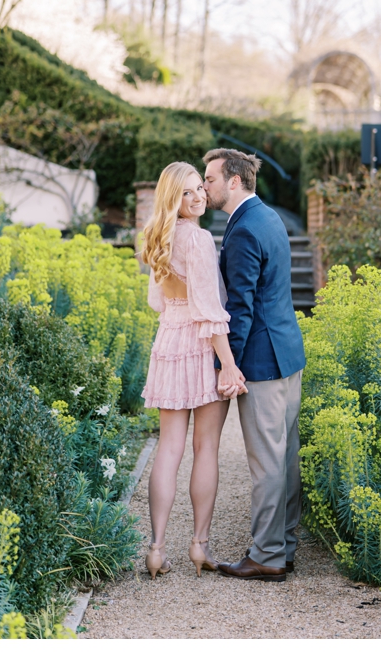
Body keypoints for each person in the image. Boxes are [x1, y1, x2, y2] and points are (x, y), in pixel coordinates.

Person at [136, 161, 247, 580]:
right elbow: (208, 311)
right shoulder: (199, 240)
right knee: (206, 449)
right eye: (187, 192)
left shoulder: (156, 238)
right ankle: (199, 545)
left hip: (168, 342)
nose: (198, 196)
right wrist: (230, 365)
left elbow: (157, 303)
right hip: (201, 347)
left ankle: (156, 549)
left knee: (168, 449)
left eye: (201, 187)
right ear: (172, 198)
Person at [202, 147, 307, 583]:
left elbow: (241, 308)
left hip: (262, 360)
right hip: (287, 351)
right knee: (285, 460)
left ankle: (266, 555)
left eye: (209, 178)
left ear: (234, 181)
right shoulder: (268, 217)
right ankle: (284, 545)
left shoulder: (243, 230)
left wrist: (229, 366)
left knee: (267, 462)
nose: (204, 186)